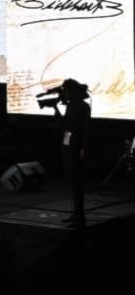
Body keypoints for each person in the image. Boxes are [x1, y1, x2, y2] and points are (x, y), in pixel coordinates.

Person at [54, 79, 91, 229]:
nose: (65, 94)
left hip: (76, 146)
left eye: (66, 91)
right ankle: (75, 214)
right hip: (68, 144)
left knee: (76, 182)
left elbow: (86, 129)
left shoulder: (83, 106)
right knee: (71, 181)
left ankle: (80, 217)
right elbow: (64, 124)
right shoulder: (70, 105)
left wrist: (84, 148)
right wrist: (55, 108)